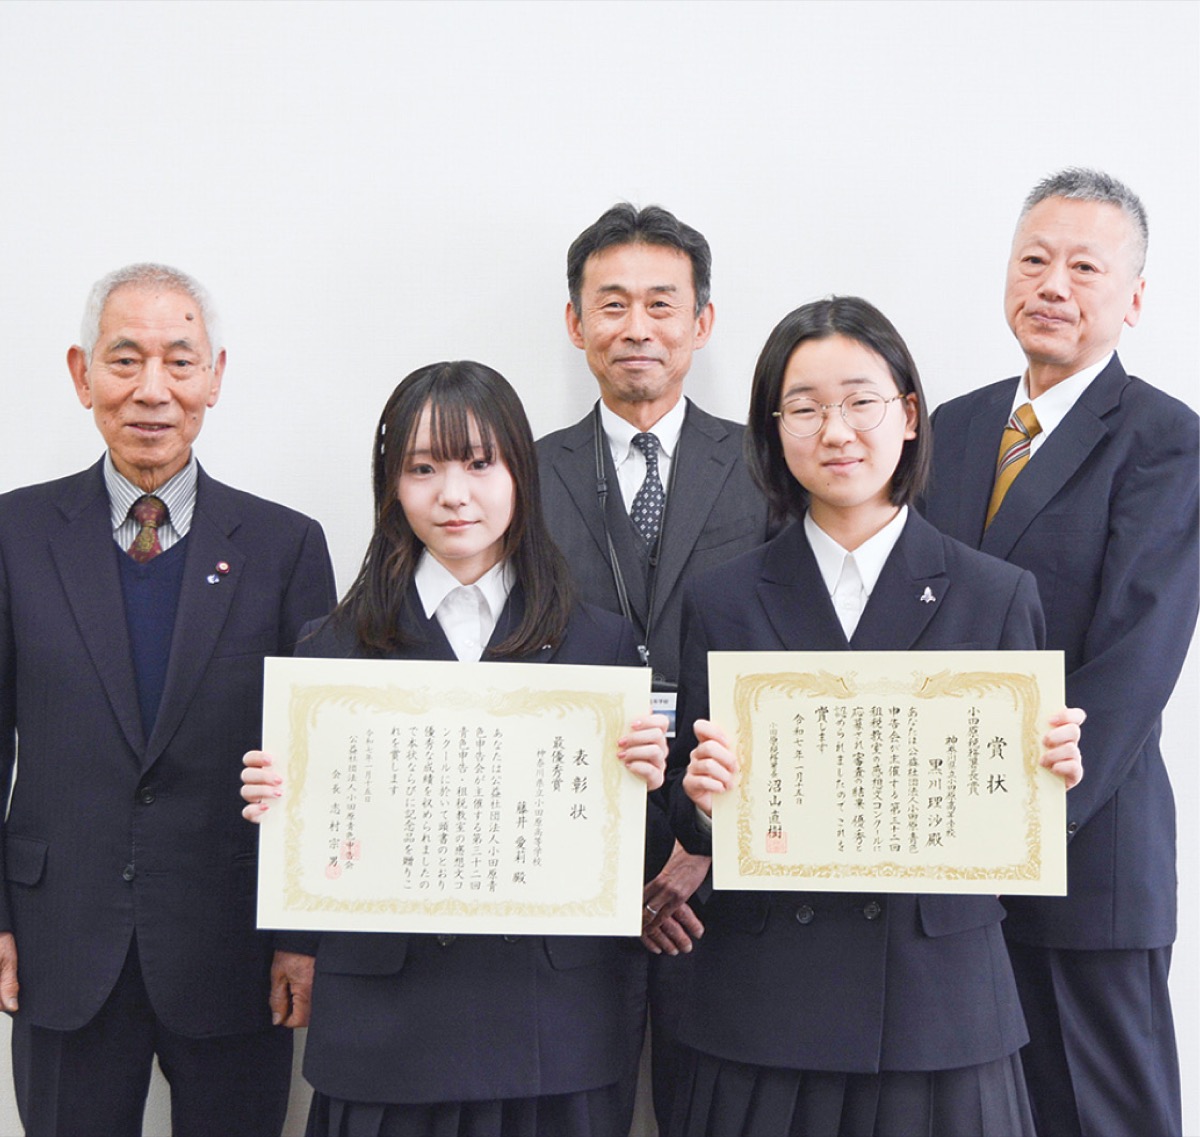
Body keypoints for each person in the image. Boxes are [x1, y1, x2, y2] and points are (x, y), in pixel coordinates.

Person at [666, 297, 1085, 1136]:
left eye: (861, 401)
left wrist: (1050, 781)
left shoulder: (996, 595)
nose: (837, 431)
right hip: (767, 1006)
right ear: (774, 429)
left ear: (909, 415)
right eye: (805, 408)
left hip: (938, 1007)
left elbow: (1017, 822)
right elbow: (689, 811)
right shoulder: (723, 599)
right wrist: (702, 801)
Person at [242, 360, 669, 1137]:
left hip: (548, 1024)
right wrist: (281, 807)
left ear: (519, 474)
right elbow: (316, 853)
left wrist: (648, 782)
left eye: (479, 463)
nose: (453, 493)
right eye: (423, 468)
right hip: (386, 1025)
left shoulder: (599, 643)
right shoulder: (330, 649)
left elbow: (629, 860)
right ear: (391, 485)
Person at [0, 263, 336, 1136]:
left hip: (235, 948)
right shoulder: (13, 535)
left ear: (214, 377)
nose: (153, 389)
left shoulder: (286, 547)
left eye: (179, 362)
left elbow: (316, 763)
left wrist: (302, 936)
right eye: (125, 359)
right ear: (82, 374)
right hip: (60, 940)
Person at [923, 169, 1198, 1136]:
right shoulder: (952, 428)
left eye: (1084, 267)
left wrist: (1021, 823)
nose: (1052, 284)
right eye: (1034, 259)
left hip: (1087, 850)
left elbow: (1135, 663)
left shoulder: (1166, 440)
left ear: (1135, 298)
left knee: (1102, 1111)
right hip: (948, 855)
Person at [537, 203, 773, 1127]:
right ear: (575, 323)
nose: (637, 327)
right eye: (613, 303)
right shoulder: (521, 473)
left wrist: (698, 845)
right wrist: (634, 849)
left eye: (662, 304)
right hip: (568, 845)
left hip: (728, 853)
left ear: (701, 322)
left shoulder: (767, 465)